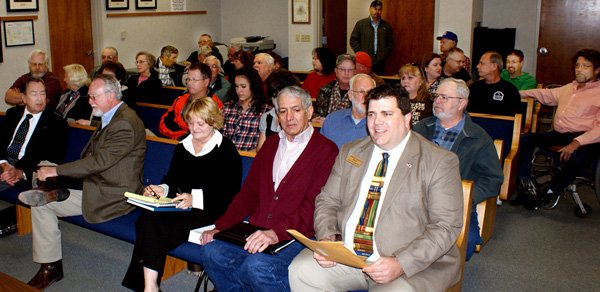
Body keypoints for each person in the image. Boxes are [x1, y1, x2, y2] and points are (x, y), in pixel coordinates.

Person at [289, 84, 463, 291]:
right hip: (348, 254)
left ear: (407, 119)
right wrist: (328, 240)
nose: (377, 122)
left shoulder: (438, 161)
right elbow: (327, 200)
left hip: (412, 264)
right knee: (301, 270)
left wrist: (400, 263)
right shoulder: (351, 152)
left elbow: (445, 226)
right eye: (372, 114)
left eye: (387, 114)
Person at [200, 86, 338, 291]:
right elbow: (248, 193)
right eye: (282, 111)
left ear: (309, 112)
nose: (289, 117)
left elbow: (314, 207)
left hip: (299, 234)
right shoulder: (271, 144)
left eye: (296, 110)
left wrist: (275, 233)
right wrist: (221, 226)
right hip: (259, 228)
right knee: (212, 252)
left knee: (258, 267)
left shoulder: (326, 150)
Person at [18, 74, 146, 290]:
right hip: (97, 181)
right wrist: (55, 171)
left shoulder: (124, 122)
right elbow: (92, 160)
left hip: (113, 194)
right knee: (43, 172)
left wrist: (57, 171)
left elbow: (99, 162)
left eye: (94, 97)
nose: (90, 102)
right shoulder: (112, 114)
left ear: (111, 95)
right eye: (89, 97)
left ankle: (51, 267)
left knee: (43, 202)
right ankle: (53, 190)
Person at [122, 98, 242, 292]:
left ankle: (149, 287)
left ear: (213, 122)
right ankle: (150, 286)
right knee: (148, 220)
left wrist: (195, 198)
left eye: (200, 123)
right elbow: (172, 179)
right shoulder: (183, 146)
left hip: (211, 208)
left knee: (150, 224)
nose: (194, 128)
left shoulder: (226, 150)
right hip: (181, 204)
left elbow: (229, 192)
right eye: (191, 122)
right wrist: (163, 189)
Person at [413, 78, 503, 261]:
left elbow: (492, 179)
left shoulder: (478, 138)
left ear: (462, 103)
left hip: (456, 207)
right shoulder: (420, 129)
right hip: (416, 202)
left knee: (465, 245)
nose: (437, 101)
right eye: (436, 96)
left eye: (444, 97)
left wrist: (466, 198)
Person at [514, 49, 600, 209]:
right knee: (526, 139)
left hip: (586, 139)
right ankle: (525, 186)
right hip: (559, 135)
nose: (579, 69)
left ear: (597, 70)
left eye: (585, 66)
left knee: (581, 154)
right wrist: (514, 93)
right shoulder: (569, 88)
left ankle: (550, 191)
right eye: (577, 65)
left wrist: (576, 142)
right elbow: (542, 94)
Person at [0, 77, 68, 192]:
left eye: (42, 93)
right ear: (23, 98)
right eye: (34, 94)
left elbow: (53, 158)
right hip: (4, 162)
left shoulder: (56, 123)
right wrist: (4, 164)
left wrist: (20, 172)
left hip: (26, 168)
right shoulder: (13, 114)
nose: (39, 98)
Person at [159, 63, 223, 140]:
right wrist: (184, 135)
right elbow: (164, 124)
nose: (189, 83)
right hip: (176, 142)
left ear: (206, 82)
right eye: (188, 79)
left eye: (194, 80)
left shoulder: (215, 105)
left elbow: (215, 132)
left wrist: (187, 134)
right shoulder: (180, 100)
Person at [221, 68, 271, 151]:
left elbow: (266, 144)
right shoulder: (227, 107)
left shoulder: (265, 111)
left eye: (243, 86)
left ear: (253, 86)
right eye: (236, 86)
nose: (239, 90)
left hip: (250, 158)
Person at [321, 73, 375, 149]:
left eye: (370, 92)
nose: (366, 97)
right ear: (350, 95)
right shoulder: (332, 120)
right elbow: (321, 151)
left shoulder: (379, 124)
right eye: (361, 92)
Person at [256, 70, 301, 152]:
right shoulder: (267, 116)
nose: (278, 101)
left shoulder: (296, 118)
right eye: (275, 96)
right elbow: (260, 150)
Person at [467, 51, 521, 116]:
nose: (477, 66)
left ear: (494, 66)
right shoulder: (473, 87)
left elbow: (514, 118)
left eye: (482, 63)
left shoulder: (510, 90)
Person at [350, 0, 394, 74]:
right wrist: (361, 53)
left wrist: (384, 55)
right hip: (365, 62)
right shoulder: (361, 24)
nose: (377, 11)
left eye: (379, 9)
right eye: (375, 8)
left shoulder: (386, 26)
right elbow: (353, 40)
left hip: (380, 62)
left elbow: (390, 43)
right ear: (370, 9)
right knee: (364, 80)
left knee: (378, 82)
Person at [314, 54, 356, 118]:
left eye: (350, 70)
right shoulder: (325, 91)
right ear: (336, 71)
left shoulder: (360, 92)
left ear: (355, 72)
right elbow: (317, 114)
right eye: (342, 69)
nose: (346, 73)